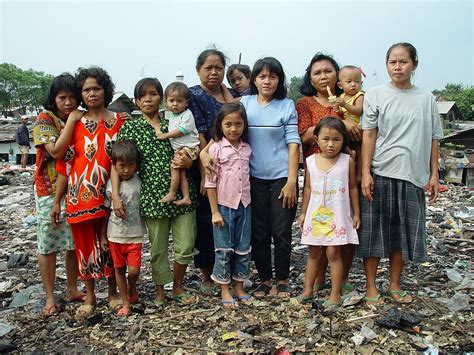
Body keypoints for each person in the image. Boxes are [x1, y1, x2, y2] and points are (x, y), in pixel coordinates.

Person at [359, 42, 443, 305]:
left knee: (402, 234)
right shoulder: (375, 94)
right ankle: (371, 286)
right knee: (373, 232)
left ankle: (394, 284)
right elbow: (369, 134)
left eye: (403, 61)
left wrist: (434, 175)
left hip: (413, 175)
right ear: (387, 65)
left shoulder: (426, 98)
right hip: (381, 170)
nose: (397, 66)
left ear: (414, 65)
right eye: (392, 62)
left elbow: (434, 139)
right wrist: (365, 173)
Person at [114, 78, 198, 306]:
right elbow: (118, 163)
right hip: (152, 195)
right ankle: (160, 290)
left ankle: (178, 287)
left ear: (161, 97)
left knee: (185, 245)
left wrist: (191, 159)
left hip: (183, 191)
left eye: (153, 94)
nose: (148, 99)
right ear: (136, 101)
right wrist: (115, 196)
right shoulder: (130, 127)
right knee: (158, 249)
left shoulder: (173, 117)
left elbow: (194, 143)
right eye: (142, 96)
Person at [54, 66, 124, 318]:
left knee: (112, 244)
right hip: (79, 194)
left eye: (97, 88)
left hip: (112, 194)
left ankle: (114, 292)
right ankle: (91, 296)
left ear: (106, 90)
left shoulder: (120, 121)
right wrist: (56, 201)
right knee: (85, 246)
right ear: (80, 94)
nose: (92, 93)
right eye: (87, 89)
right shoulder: (75, 121)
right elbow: (64, 162)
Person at [296, 53, 359, 293]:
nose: (323, 76)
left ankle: (339, 281)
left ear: (338, 75)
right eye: (317, 72)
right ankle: (318, 281)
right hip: (317, 167)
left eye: (328, 71)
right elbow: (302, 135)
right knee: (317, 239)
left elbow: (361, 127)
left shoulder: (349, 100)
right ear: (310, 79)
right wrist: (338, 126)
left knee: (342, 228)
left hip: (345, 166)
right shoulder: (304, 104)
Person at [241, 57, 300, 299]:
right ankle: (265, 280)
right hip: (253, 178)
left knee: (282, 231)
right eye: (262, 76)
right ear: (254, 79)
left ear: (279, 80)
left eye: (273, 76)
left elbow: (293, 144)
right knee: (259, 233)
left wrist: (291, 181)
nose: (267, 81)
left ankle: (283, 279)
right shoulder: (244, 104)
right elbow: (225, 129)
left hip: (281, 178)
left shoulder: (287, 105)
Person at [33, 73, 85, 316]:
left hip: (76, 188)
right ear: (53, 100)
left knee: (73, 243)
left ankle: (72, 289)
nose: (68, 102)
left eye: (72, 97)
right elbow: (55, 151)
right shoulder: (45, 119)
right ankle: (50, 297)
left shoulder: (80, 118)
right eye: (62, 97)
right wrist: (73, 120)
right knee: (49, 244)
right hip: (49, 190)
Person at [297, 117, 359, 308]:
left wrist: (356, 213)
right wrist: (303, 212)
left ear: (343, 140)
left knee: (333, 253)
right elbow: (307, 188)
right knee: (314, 253)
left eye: (336, 139)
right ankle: (308, 289)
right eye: (326, 139)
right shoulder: (310, 161)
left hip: (338, 214)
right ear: (316, 139)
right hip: (316, 215)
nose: (331, 144)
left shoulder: (347, 161)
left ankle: (335, 293)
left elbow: (352, 189)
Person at [188, 49, 236, 295]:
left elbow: (237, 114)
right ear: (198, 70)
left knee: (232, 219)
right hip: (206, 166)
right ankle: (208, 275)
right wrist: (204, 172)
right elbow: (198, 134)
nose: (214, 72)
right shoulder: (194, 95)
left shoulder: (231, 95)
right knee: (207, 220)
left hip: (233, 166)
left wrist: (227, 93)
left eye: (219, 67)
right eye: (208, 67)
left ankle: (231, 271)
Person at [205, 103, 252, 307]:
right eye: (228, 124)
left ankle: (239, 286)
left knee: (243, 248)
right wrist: (215, 211)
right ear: (221, 125)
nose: (233, 129)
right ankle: (224, 289)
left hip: (245, 205)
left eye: (238, 124)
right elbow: (210, 182)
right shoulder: (216, 148)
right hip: (224, 206)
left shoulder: (247, 148)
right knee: (224, 249)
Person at [103, 140, 146, 316]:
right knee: (119, 269)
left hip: (135, 235)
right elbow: (106, 211)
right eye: (122, 166)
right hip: (115, 235)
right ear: (114, 165)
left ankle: (132, 286)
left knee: (134, 271)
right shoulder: (111, 186)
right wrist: (102, 236)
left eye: (130, 165)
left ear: (136, 165)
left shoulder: (140, 181)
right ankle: (126, 303)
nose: (126, 170)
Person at [156, 82, 200, 206]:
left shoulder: (187, 114)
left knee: (174, 165)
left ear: (186, 102)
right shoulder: (170, 116)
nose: (175, 104)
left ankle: (172, 192)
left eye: (179, 101)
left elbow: (183, 130)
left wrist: (166, 136)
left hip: (189, 147)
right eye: (171, 100)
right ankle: (186, 197)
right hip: (181, 148)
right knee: (181, 173)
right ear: (166, 101)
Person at [334, 65, 365, 180]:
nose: (353, 84)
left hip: (358, 127)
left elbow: (358, 110)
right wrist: (339, 110)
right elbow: (342, 113)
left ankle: (359, 174)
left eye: (357, 81)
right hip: (346, 128)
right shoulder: (342, 96)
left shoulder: (359, 95)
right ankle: (350, 153)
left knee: (360, 150)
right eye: (349, 82)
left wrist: (344, 105)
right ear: (340, 85)